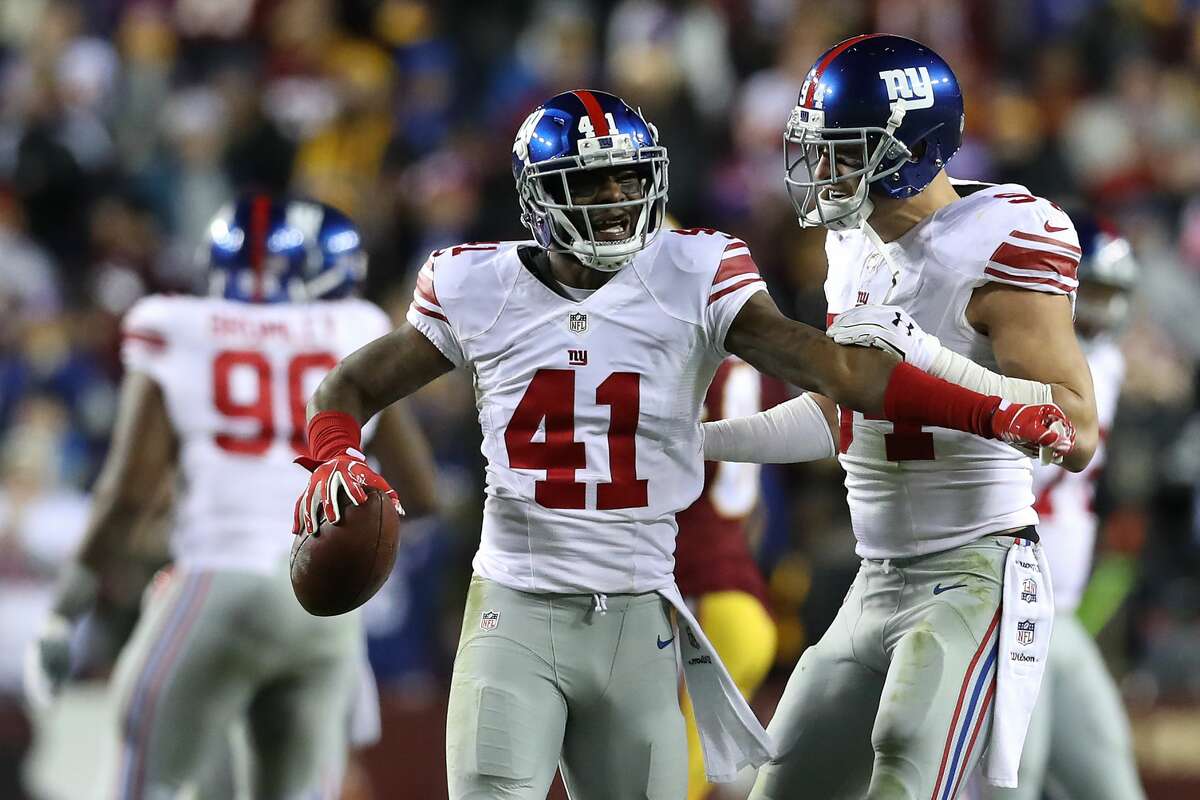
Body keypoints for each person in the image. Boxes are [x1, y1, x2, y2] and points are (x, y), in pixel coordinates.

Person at [293, 89, 1074, 800]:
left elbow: (839, 373)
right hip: (516, 608)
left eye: (630, 179)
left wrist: (993, 413)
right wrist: (336, 452)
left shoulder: (696, 269)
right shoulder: (474, 282)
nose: (614, 200)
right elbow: (347, 388)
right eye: (591, 183)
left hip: (641, 618)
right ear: (537, 194)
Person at [696, 34, 1099, 800]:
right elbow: (840, 416)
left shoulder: (1003, 238)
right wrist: (699, 441)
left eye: (843, 150)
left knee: (905, 769)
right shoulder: (853, 245)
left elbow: (1075, 430)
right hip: (875, 578)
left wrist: (930, 358)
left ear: (909, 150)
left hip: (974, 571)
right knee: (782, 785)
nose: (822, 170)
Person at [24, 195, 438, 800]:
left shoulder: (177, 324)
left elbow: (127, 493)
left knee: (145, 781)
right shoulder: (356, 326)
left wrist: (65, 610)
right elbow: (420, 492)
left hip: (218, 579)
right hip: (322, 609)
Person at [971, 212, 1145, 799]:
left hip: (1060, 615)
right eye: (1090, 289)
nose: (1102, 307)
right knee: (1010, 787)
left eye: (1111, 293)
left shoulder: (1110, 363)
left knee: (1113, 784)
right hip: (1012, 602)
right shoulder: (1026, 354)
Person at [674, 357, 783, 800]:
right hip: (744, 601)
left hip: (703, 605)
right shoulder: (753, 367)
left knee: (667, 783)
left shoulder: (687, 366)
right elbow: (756, 513)